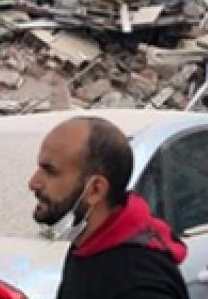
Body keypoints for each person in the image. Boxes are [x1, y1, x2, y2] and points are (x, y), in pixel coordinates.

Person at [29, 117, 188, 299]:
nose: (33, 183)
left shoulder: (139, 283)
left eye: (50, 171)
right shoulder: (88, 243)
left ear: (95, 190)